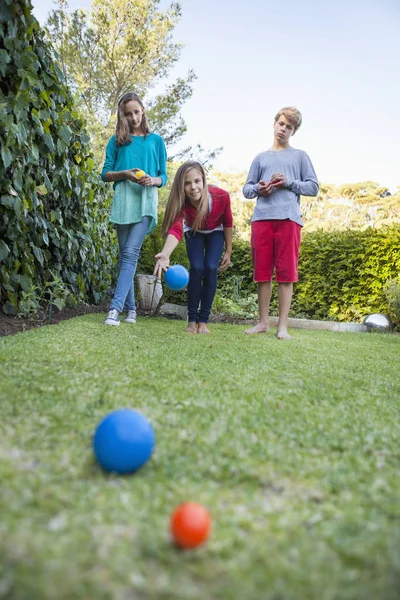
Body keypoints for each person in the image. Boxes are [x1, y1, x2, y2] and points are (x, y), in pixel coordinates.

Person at [242, 106, 319, 339]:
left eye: (289, 127)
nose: (283, 129)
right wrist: (259, 188)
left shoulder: (300, 156)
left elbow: (313, 187)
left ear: (293, 132)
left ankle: (282, 326)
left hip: (289, 220)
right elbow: (246, 189)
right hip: (262, 220)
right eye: (281, 124)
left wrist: (289, 182)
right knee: (262, 273)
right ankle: (263, 322)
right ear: (274, 123)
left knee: (287, 273)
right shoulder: (260, 158)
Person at [101, 92, 167, 326]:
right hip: (123, 199)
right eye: (128, 114)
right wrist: (125, 174)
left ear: (143, 110)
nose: (133, 117)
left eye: (136, 112)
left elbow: (164, 176)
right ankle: (131, 310)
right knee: (125, 258)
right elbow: (105, 174)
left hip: (146, 199)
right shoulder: (116, 141)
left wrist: (153, 181)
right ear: (123, 116)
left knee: (130, 253)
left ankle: (114, 309)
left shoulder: (156, 140)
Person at [154, 161, 232, 334]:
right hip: (194, 231)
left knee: (211, 268)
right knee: (197, 268)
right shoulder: (182, 203)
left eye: (197, 181)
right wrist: (165, 253)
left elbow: (228, 223)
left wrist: (228, 251)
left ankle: (203, 321)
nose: (193, 187)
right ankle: (192, 320)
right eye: (187, 183)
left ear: (203, 180)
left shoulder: (221, 196)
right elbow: (176, 228)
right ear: (181, 186)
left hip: (215, 232)